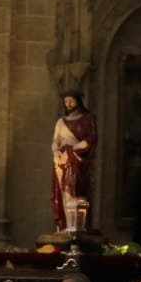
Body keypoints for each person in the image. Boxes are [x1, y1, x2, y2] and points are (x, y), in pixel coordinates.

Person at [51, 90, 97, 231]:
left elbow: (90, 140)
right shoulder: (61, 122)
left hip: (77, 160)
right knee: (63, 191)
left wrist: (72, 149)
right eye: (66, 102)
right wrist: (56, 151)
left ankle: (76, 226)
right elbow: (55, 141)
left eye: (71, 101)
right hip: (62, 160)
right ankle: (65, 225)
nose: (68, 104)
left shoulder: (88, 119)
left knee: (75, 190)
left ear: (78, 101)